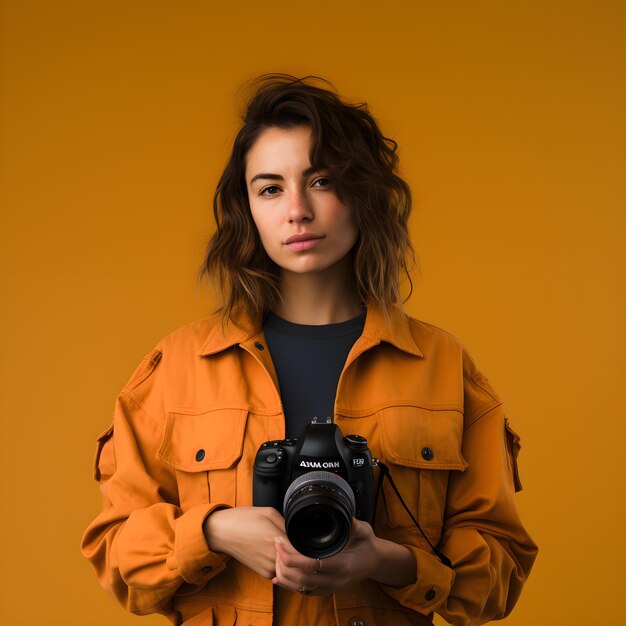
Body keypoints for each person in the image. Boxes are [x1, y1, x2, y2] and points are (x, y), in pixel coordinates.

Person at [81, 74, 538, 626]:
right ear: (246, 208)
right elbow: (115, 554)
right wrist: (214, 531)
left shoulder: (440, 364)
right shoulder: (180, 365)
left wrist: (390, 563)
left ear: (361, 192)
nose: (296, 210)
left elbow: (500, 574)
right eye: (270, 188)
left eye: (320, 181)